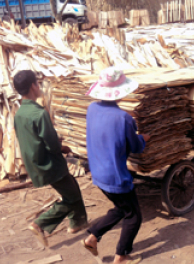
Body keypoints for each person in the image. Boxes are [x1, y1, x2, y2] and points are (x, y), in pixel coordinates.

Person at [82, 68, 150, 264]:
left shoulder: (92, 108)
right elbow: (136, 146)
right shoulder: (124, 118)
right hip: (116, 176)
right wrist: (143, 138)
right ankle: (121, 256)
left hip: (98, 172)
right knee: (134, 216)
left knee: (122, 208)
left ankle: (92, 238)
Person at [13, 70, 87, 247]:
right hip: (49, 163)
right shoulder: (39, 114)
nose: (39, 87)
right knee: (71, 197)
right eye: (37, 83)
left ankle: (78, 223)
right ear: (33, 86)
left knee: (72, 187)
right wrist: (63, 147)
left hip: (35, 162)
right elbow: (52, 146)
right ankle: (39, 224)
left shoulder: (20, 113)